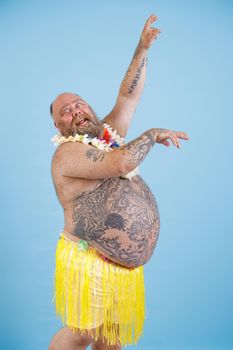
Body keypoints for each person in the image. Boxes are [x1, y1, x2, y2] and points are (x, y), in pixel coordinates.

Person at [48, 14, 189, 350]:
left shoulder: (107, 133)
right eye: (66, 110)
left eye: (79, 103)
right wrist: (153, 134)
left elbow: (127, 99)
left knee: (111, 335)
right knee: (81, 332)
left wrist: (142, 50)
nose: (76, 109)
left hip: (123, 267)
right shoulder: (67, 154)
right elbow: (121, 162)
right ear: (58, 126)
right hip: (90, 260)